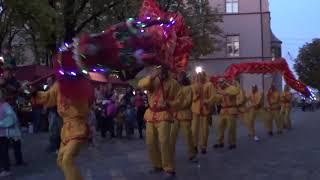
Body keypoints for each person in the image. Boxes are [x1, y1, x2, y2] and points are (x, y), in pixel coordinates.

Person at [31, 81, 93, 180]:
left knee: (67, 160)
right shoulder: (59, 84)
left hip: (78, 127)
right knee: (60, 160)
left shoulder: (80, 84)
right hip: (66, 130)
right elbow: (48, 96)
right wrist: (33, 92)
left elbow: (85, 104)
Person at [138, 67, 179, 178]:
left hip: (164, 114)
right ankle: (157, 165)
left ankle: (169, 168)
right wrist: (150, 77)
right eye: (160, 70)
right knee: (150, 142)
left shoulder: (173, 83)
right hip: (151, 115)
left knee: (164, 141)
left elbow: (178, 99)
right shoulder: (152, 80)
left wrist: (170, 104)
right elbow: (141, 85)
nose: (161, 72)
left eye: (163, 70)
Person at [169, 72, 198, 169]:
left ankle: (192, 154)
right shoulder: (176, 88)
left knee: (187, 136)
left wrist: (175, 105)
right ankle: (169, 154)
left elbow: (187, 102)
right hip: (176, 115)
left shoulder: (188, 88)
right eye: (178, 76)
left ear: (184, 78)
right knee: (172, 135)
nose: (178, 78)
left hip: (185, 114)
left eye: (180, 77)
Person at [191, 72, 217, 154]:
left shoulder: (209, 85)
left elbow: (213, 96)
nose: (199, 77)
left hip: (205, 110)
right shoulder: (193, 85)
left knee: (204, 130)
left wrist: (207, 101)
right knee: (194, 129)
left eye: (200, 75)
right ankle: (194, 145)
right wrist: (196, 96)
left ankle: (203, 146)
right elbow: (190, 96)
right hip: (195, 110)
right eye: (197, 75)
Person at [214, 78, 240, 150]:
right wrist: (215, 97)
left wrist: (221, 92)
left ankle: (232, 143)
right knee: (220, 127)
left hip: (231, 110)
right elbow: (218, 101)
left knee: (231, 128)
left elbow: (235, 92)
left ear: (225, 82)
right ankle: (220, 142)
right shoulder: (220, 90)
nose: (220, 84)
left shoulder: (232, 88)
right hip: (223, 111)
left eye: (221, 83)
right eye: (219, 83)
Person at [0, 90, 12, 177]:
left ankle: (6, 169)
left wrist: (1, 124)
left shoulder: (5, 106)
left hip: (3, 134)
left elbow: (11, 119)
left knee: (3, 152)